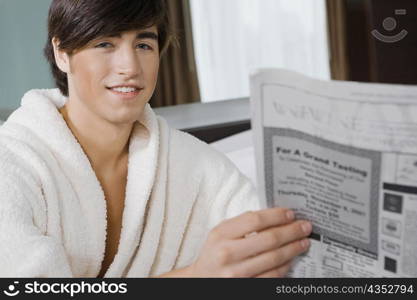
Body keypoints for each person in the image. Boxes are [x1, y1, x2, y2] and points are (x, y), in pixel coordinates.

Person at [0, 0, 311, 278]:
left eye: (144, 45)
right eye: (106, 43)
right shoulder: (12, 164)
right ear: (62, 53)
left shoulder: (190, 162)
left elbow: (266, 231)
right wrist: (196, 277)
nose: (130, 67)